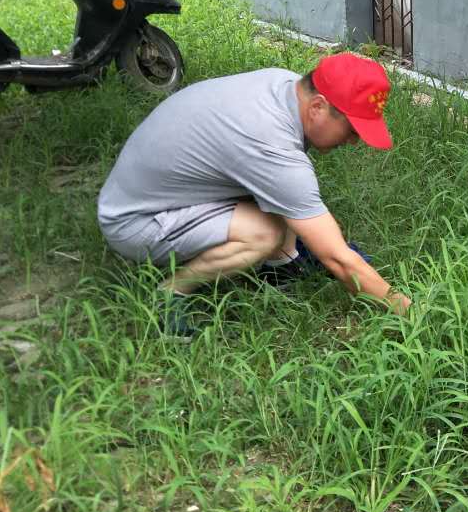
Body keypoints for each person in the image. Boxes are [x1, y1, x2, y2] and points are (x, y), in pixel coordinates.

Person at [97, 52, 410, 329]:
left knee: (287, 198)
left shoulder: (285, 86)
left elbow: (285, 189)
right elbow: (339, 260)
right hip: (135, 221)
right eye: (352, 130)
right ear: (318, 106)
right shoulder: (270, 141)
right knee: (264, 233)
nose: (354, 141)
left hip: (156, 190)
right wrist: (410, 312)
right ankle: (171, 292)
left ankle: (282, 266)